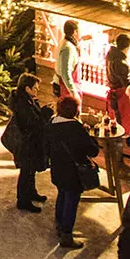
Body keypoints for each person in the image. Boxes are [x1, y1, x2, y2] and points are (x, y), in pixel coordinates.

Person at [46, 95, 97, 249]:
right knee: (71, 200)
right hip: (74, 171)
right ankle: (66, 235)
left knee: (62, 194)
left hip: (57, 168)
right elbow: (92, 151)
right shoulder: (75, 128)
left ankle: (59, 225)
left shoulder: (51, 123)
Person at [9, 74, 50, 212]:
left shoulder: (27, 100)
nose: (37, 91)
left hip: (30, 142)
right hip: (26, 144)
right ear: (27, 89)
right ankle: (23, 200)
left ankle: (31, 193)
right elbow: (34, 123)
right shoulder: (22, 104)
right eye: (35, 89)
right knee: (26, 171)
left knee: (31, 170)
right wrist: (45, 112)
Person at [105, 34, 130, 132]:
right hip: (121, 97)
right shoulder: (121, 63)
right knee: (123, 125)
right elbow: (128, 86)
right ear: (127, 47)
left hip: (114, 95)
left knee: (115, 122)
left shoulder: (110, 55)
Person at [52, 19, 80, 98]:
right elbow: (65, 72)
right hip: (64, 87)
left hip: (67, 84)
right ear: (75, 32)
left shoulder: (68, 43)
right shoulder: (67, 48)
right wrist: (73, 93)